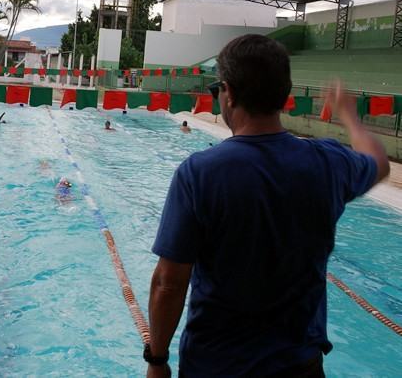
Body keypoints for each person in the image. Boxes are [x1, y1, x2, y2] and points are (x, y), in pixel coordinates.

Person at [146, 34, 389, 378]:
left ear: (228, 92)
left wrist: (157, 360)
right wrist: (349, 116)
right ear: (285, 95)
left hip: (216, 366)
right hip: (299, 367)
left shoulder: (200, 174)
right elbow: (379, 161)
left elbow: (169, 283)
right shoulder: (328, 163)